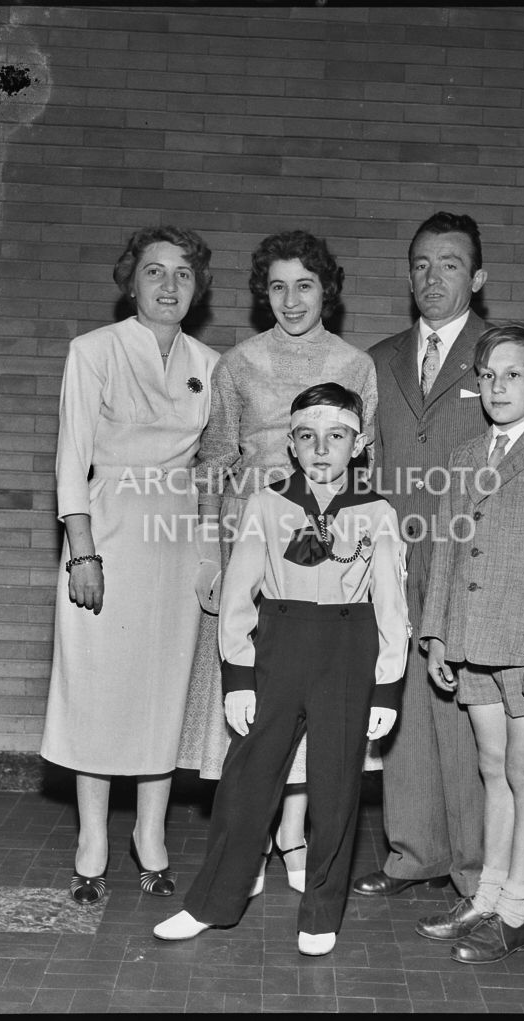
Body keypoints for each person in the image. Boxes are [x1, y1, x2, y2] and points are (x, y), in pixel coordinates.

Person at [354, 211, 524, 899]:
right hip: (397, 565)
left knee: (476, 732)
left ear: (479, 277)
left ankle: (477, 870)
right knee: (402, 708)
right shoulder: (376, 359)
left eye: (451, 265)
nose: (434, 278)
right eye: (422, 266)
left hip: (478, 573)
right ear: (408, 276)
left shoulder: (500, 357)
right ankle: (412, 852)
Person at [155, 383, 408, 955]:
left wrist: (386, 688)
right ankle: (211, 903)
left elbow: (394, 606)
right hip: (278, 650)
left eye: (337, 436)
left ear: (359, 444)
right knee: (246, 784)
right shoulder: (267, 504)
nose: (322, 448)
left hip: (348, 654)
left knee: (336, 789)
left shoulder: (377, 511)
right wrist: (238, 679)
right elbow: (238, 597)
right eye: (308, 437)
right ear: (291, 445)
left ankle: (320, 913)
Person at [176, 230, 377, 891]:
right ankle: (251, 832)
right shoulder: (239, 363)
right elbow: (213, 460)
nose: (291, 299)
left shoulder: (354, 366)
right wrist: (213, 550)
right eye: (278, 286)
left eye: (305, 285)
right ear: (263, 294)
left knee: (308, 679)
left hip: (322, 536)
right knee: (253, 687)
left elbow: (363, 466)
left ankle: (292, 833)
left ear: (329, 290)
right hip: (249, 529)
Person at [40, 225, 219, 903]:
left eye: (182, 273)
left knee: (160, 693)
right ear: (132, 281)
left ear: (196, 287)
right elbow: (70, 458)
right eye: (155, 272)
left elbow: (215, 471)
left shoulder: (213, 362)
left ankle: (151, 835)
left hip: (178, 546)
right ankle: (92, 840)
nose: (169, 285)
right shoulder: (94, 351)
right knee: (99, 690)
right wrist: (82, 550)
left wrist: (213, 556)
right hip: (108, 538)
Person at [415, 322, 524, 963]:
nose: (497, 386)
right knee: (493, 771)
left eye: (512, 374)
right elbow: (444, 550)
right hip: (469, 641)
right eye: (487, 375)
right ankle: (486, 897)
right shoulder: (463, 459)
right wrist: (436, 634)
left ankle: (517, 910)